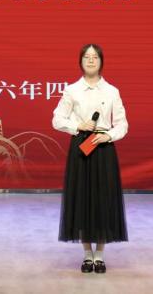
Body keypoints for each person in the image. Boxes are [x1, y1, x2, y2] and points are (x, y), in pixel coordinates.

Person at [52, 43, 129, 274]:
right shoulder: (72, 90)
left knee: (104, 199)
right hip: (81, 147)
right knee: (82, 199)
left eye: (95, 57)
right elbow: (57, 119)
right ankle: (87, 254)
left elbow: (122, 124)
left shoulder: (112, 91)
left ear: (101, 61)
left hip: (103, 148)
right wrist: (77, 126)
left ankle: (100, 255)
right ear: (81, 61)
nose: (91, 60)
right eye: (87, 57)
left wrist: (109, 136)